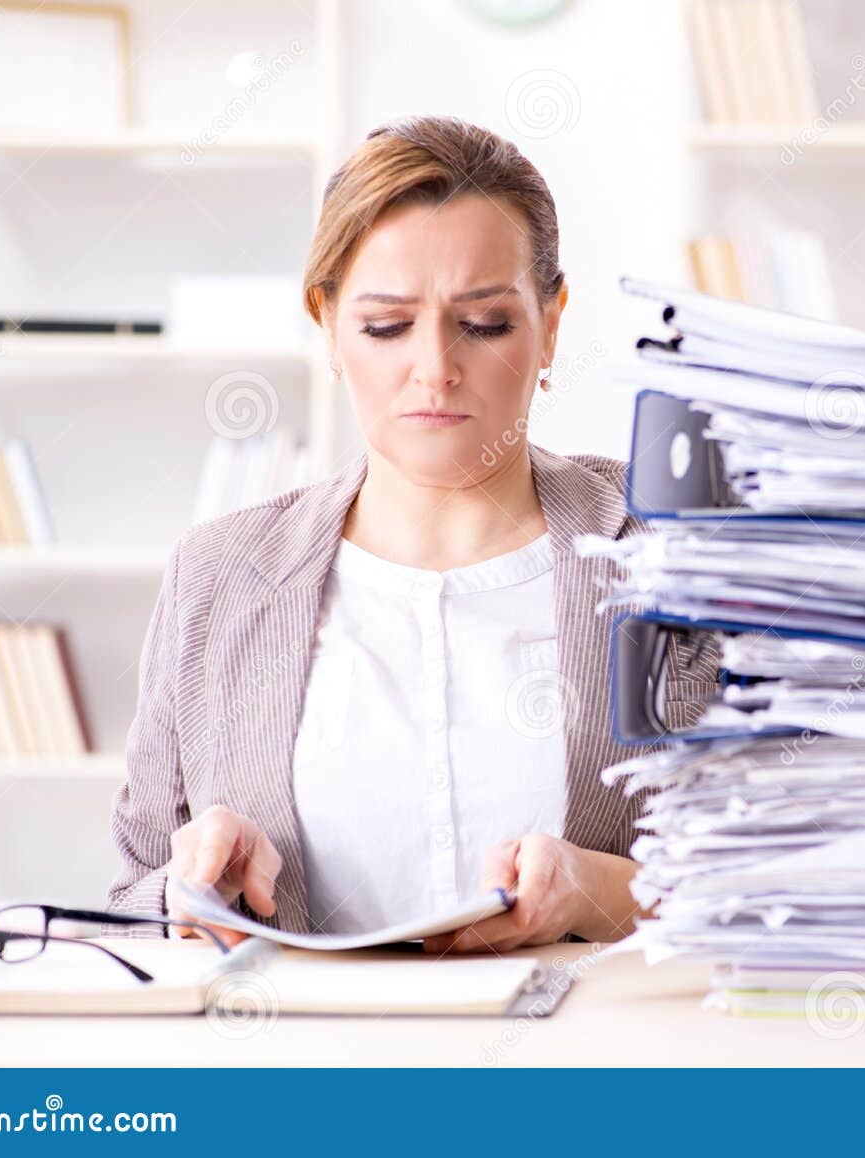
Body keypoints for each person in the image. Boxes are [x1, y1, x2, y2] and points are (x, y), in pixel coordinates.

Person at [107, 115, 716, 952]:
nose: (435, 368)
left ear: (552, 322)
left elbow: (796, 882)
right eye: (387, 326)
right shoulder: (219, 575)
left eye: (486, 323)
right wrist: (195, 895)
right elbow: (128, 901)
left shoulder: (676, 556)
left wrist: (599, 889)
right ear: (326, 324)